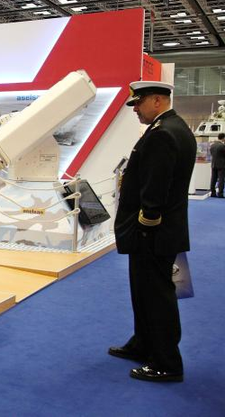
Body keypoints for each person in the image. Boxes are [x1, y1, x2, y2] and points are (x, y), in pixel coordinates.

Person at [111, 81, 196, 383]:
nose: (135, 109)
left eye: (139, 102)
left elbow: (155, 187)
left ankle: (166, 362)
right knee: (144, 292)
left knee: (157, 296)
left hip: (154, 233)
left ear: (157, 100)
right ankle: (143, 343)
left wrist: (146, 225)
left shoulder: (163, 134)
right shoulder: (173, 127)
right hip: (161, 231)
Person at [209, 132, 225, 198]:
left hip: (213, 164)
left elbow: (211, 154)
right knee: (221, 179)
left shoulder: (212, 145)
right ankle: (220, 194)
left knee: (213, 179)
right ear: (223, 138)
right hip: (221, 165)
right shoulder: (222, 146)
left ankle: (213, 193)